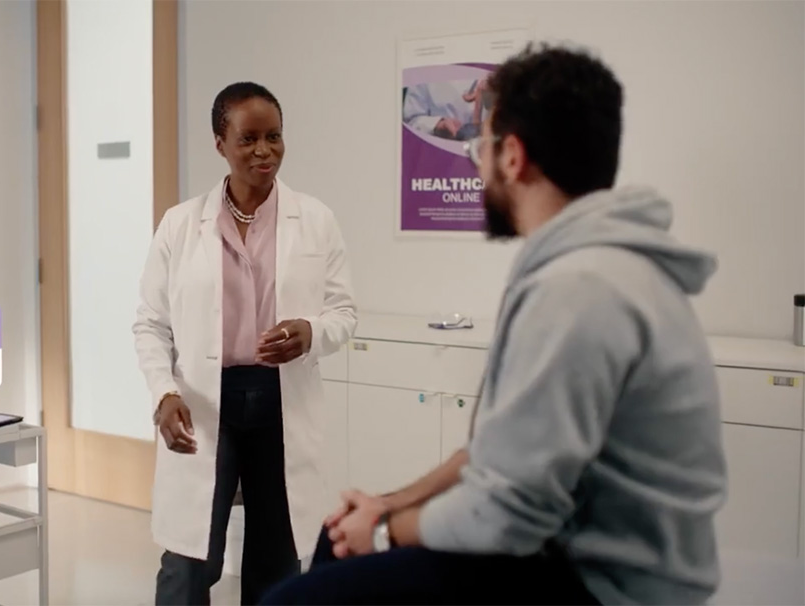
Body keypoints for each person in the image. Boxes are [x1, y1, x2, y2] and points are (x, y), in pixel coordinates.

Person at [263, 43, 727, 605]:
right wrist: (387, 505)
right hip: (569, 546)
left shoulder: (579, 289)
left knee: (292, 601)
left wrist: (384, 532)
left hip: (605, 583)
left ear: (512, 157)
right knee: (336, 540)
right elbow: (493, 457)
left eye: (478, 145)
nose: (474, 162)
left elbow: (509, 511)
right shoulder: (591, 266)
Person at [133, 81, 357, 606]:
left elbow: (343, 313)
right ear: (220, 143)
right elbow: (150, 322)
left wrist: (310, 333)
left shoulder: (315, 220)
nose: (264, 151)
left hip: (282, 398)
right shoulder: (181, 224)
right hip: (206, 401)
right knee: (190, 559)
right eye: (249, 138)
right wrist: (164, 393)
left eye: (274, 137)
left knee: (275, 557)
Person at [403, 78, 488, 141]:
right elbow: (410, 122)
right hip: (441, 151)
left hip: (489, 151)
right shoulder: (424, 71)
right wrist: (436, 125)